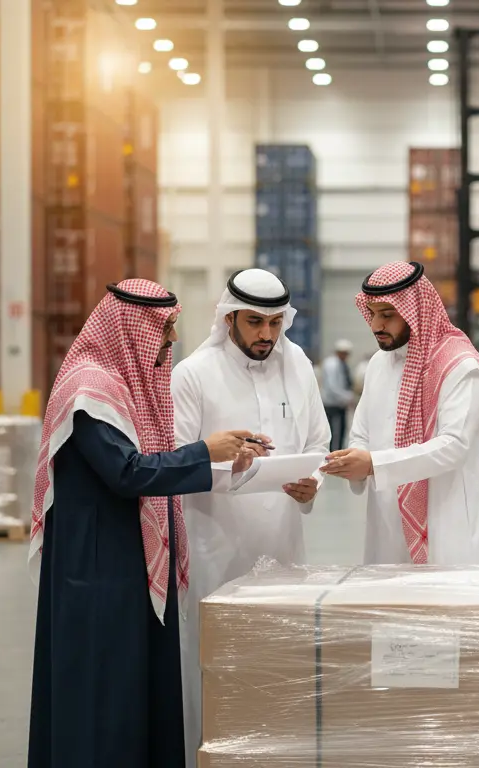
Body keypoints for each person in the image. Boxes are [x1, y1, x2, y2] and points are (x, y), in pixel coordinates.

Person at [27, 279, 263, 768]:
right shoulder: (89, 391)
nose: (171, 339)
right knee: (104, 695)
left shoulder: (118, 384)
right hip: (97, 570)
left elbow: (149, 460)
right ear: (130, 329)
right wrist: (204, 451)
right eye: (165, 328)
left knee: (136, 688)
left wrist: (221, 461)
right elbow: (127, 472)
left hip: (124, 560)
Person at [169, 268, 331, 765]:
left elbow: (318, 441)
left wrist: (314, 482)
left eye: (275, 323)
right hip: (214, 548)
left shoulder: (299, 365)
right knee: (213, 662)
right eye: (255, 322)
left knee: (280, 659)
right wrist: (228, 466)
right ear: (229, 318)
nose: (266, 334)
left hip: (282, 545)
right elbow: (175, 461)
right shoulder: (193, 374)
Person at [322, 260, 479, 564]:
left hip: (446, 519)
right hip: (386, 517)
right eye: (372, 313)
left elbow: (454, 446)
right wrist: (355, 461)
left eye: (387, 315)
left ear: (414, 311)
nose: (376, 325)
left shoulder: (459, 366)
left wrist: (375, 464)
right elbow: (361, 431)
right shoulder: (379, 364)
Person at [321, 338, 356, 451]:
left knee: (341, 431)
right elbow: (332, 387)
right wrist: (348, 397)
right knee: (332, 432)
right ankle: (331, 453)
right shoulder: (332, 364)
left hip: (340, 404)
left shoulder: (342, 364)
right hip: (332, 404)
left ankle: (339, 452)